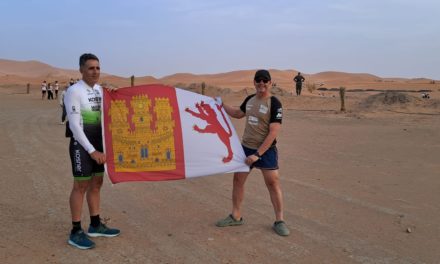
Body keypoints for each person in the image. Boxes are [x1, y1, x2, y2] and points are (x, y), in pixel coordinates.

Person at [216, 69, 290, 236]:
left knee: (272, 183)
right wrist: (220, 105)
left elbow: (273, 132)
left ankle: (279, 220)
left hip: (266, 150)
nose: (261, 83)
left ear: (270, 83)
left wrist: (257, 154)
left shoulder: (275, 103)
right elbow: (238, 113)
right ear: (254, 82)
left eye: (265, 80)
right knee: (238, 181)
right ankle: (236, 216)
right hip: (246, 148)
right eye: (258, 80)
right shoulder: (249, 99)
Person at [64, 53, 120, 249]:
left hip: (99, 144)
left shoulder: (100, 90)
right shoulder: (74, 91)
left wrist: (114, 94)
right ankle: (75, 230)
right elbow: (74, 125)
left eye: (97, 67)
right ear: (81, 70)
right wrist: (91, 150)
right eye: (90, 68)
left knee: (97, 183)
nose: (95, 71)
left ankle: (95, 225)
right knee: (80, 186)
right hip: (82, 145)